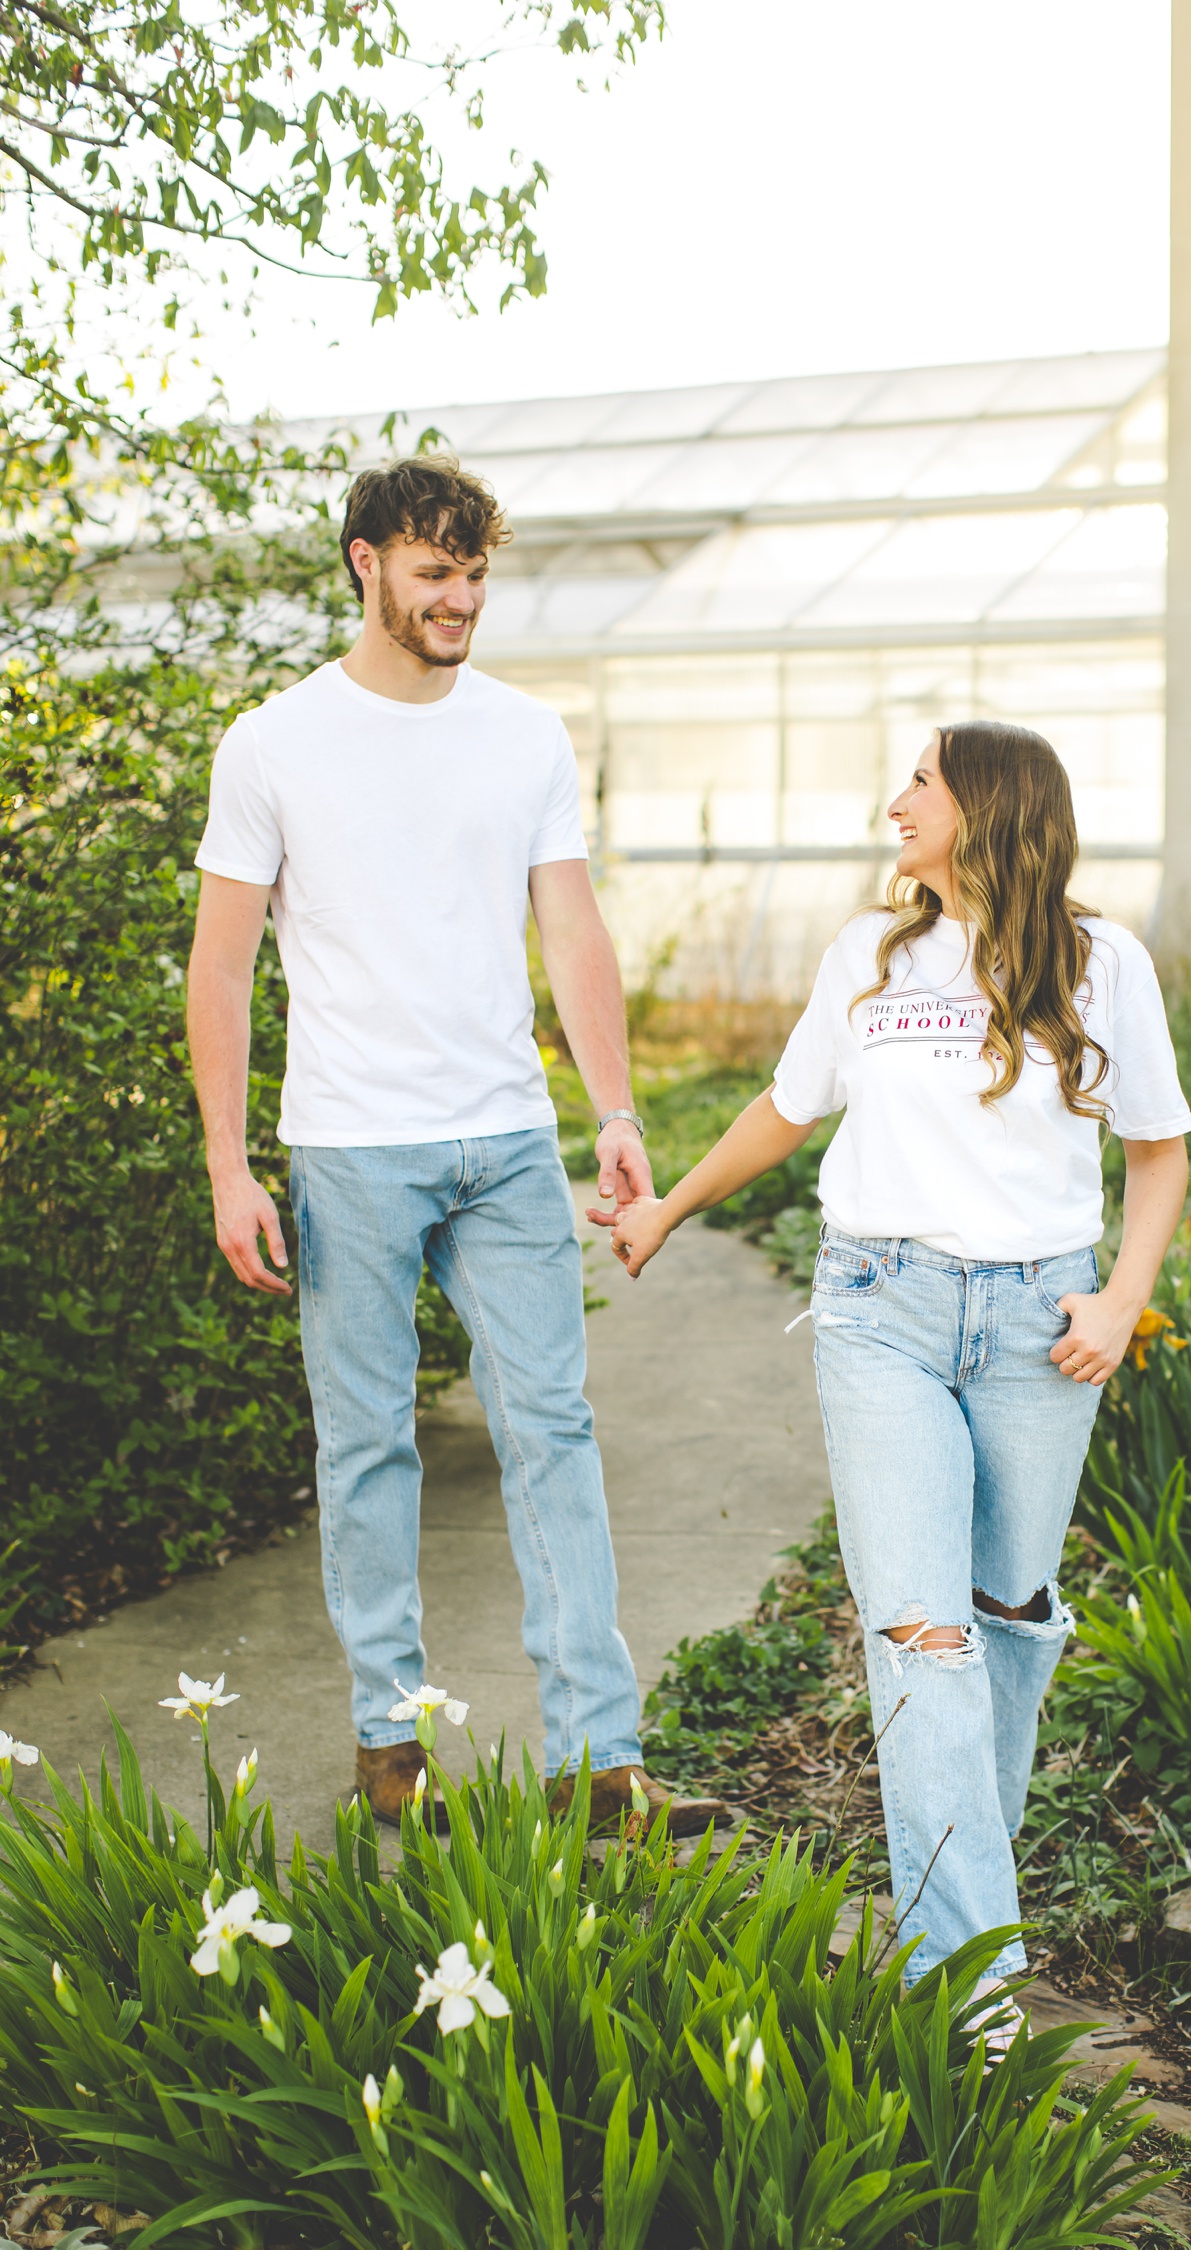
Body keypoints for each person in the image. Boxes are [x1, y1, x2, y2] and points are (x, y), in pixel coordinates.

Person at [595, 721, 1191, 2034]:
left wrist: (1122, 1300)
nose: (893, 805)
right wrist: (672, 1207)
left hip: (1045, 1323)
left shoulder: (1104, 963)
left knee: (1007, 1619)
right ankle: (969, 1996)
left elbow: (1158, 1149)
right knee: (922, 1635)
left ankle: (958, 1887)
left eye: (919, 782)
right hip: (880, 1312)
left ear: (990, 803)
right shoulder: (869, 955)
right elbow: (784, 1106)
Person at [186, 454, 724, 1836]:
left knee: (555, 1428)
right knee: (368, 1446)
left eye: (477, 575)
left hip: (501, 1139)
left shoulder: (524, 737)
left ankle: (598, 1758)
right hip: (349, 1150)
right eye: (435, 573)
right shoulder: (272, 744)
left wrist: (612, 1112)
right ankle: (389, 1734)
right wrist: (230, 1161)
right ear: (365, 562)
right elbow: (224, 966)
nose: (461, 600)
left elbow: (573, 929)